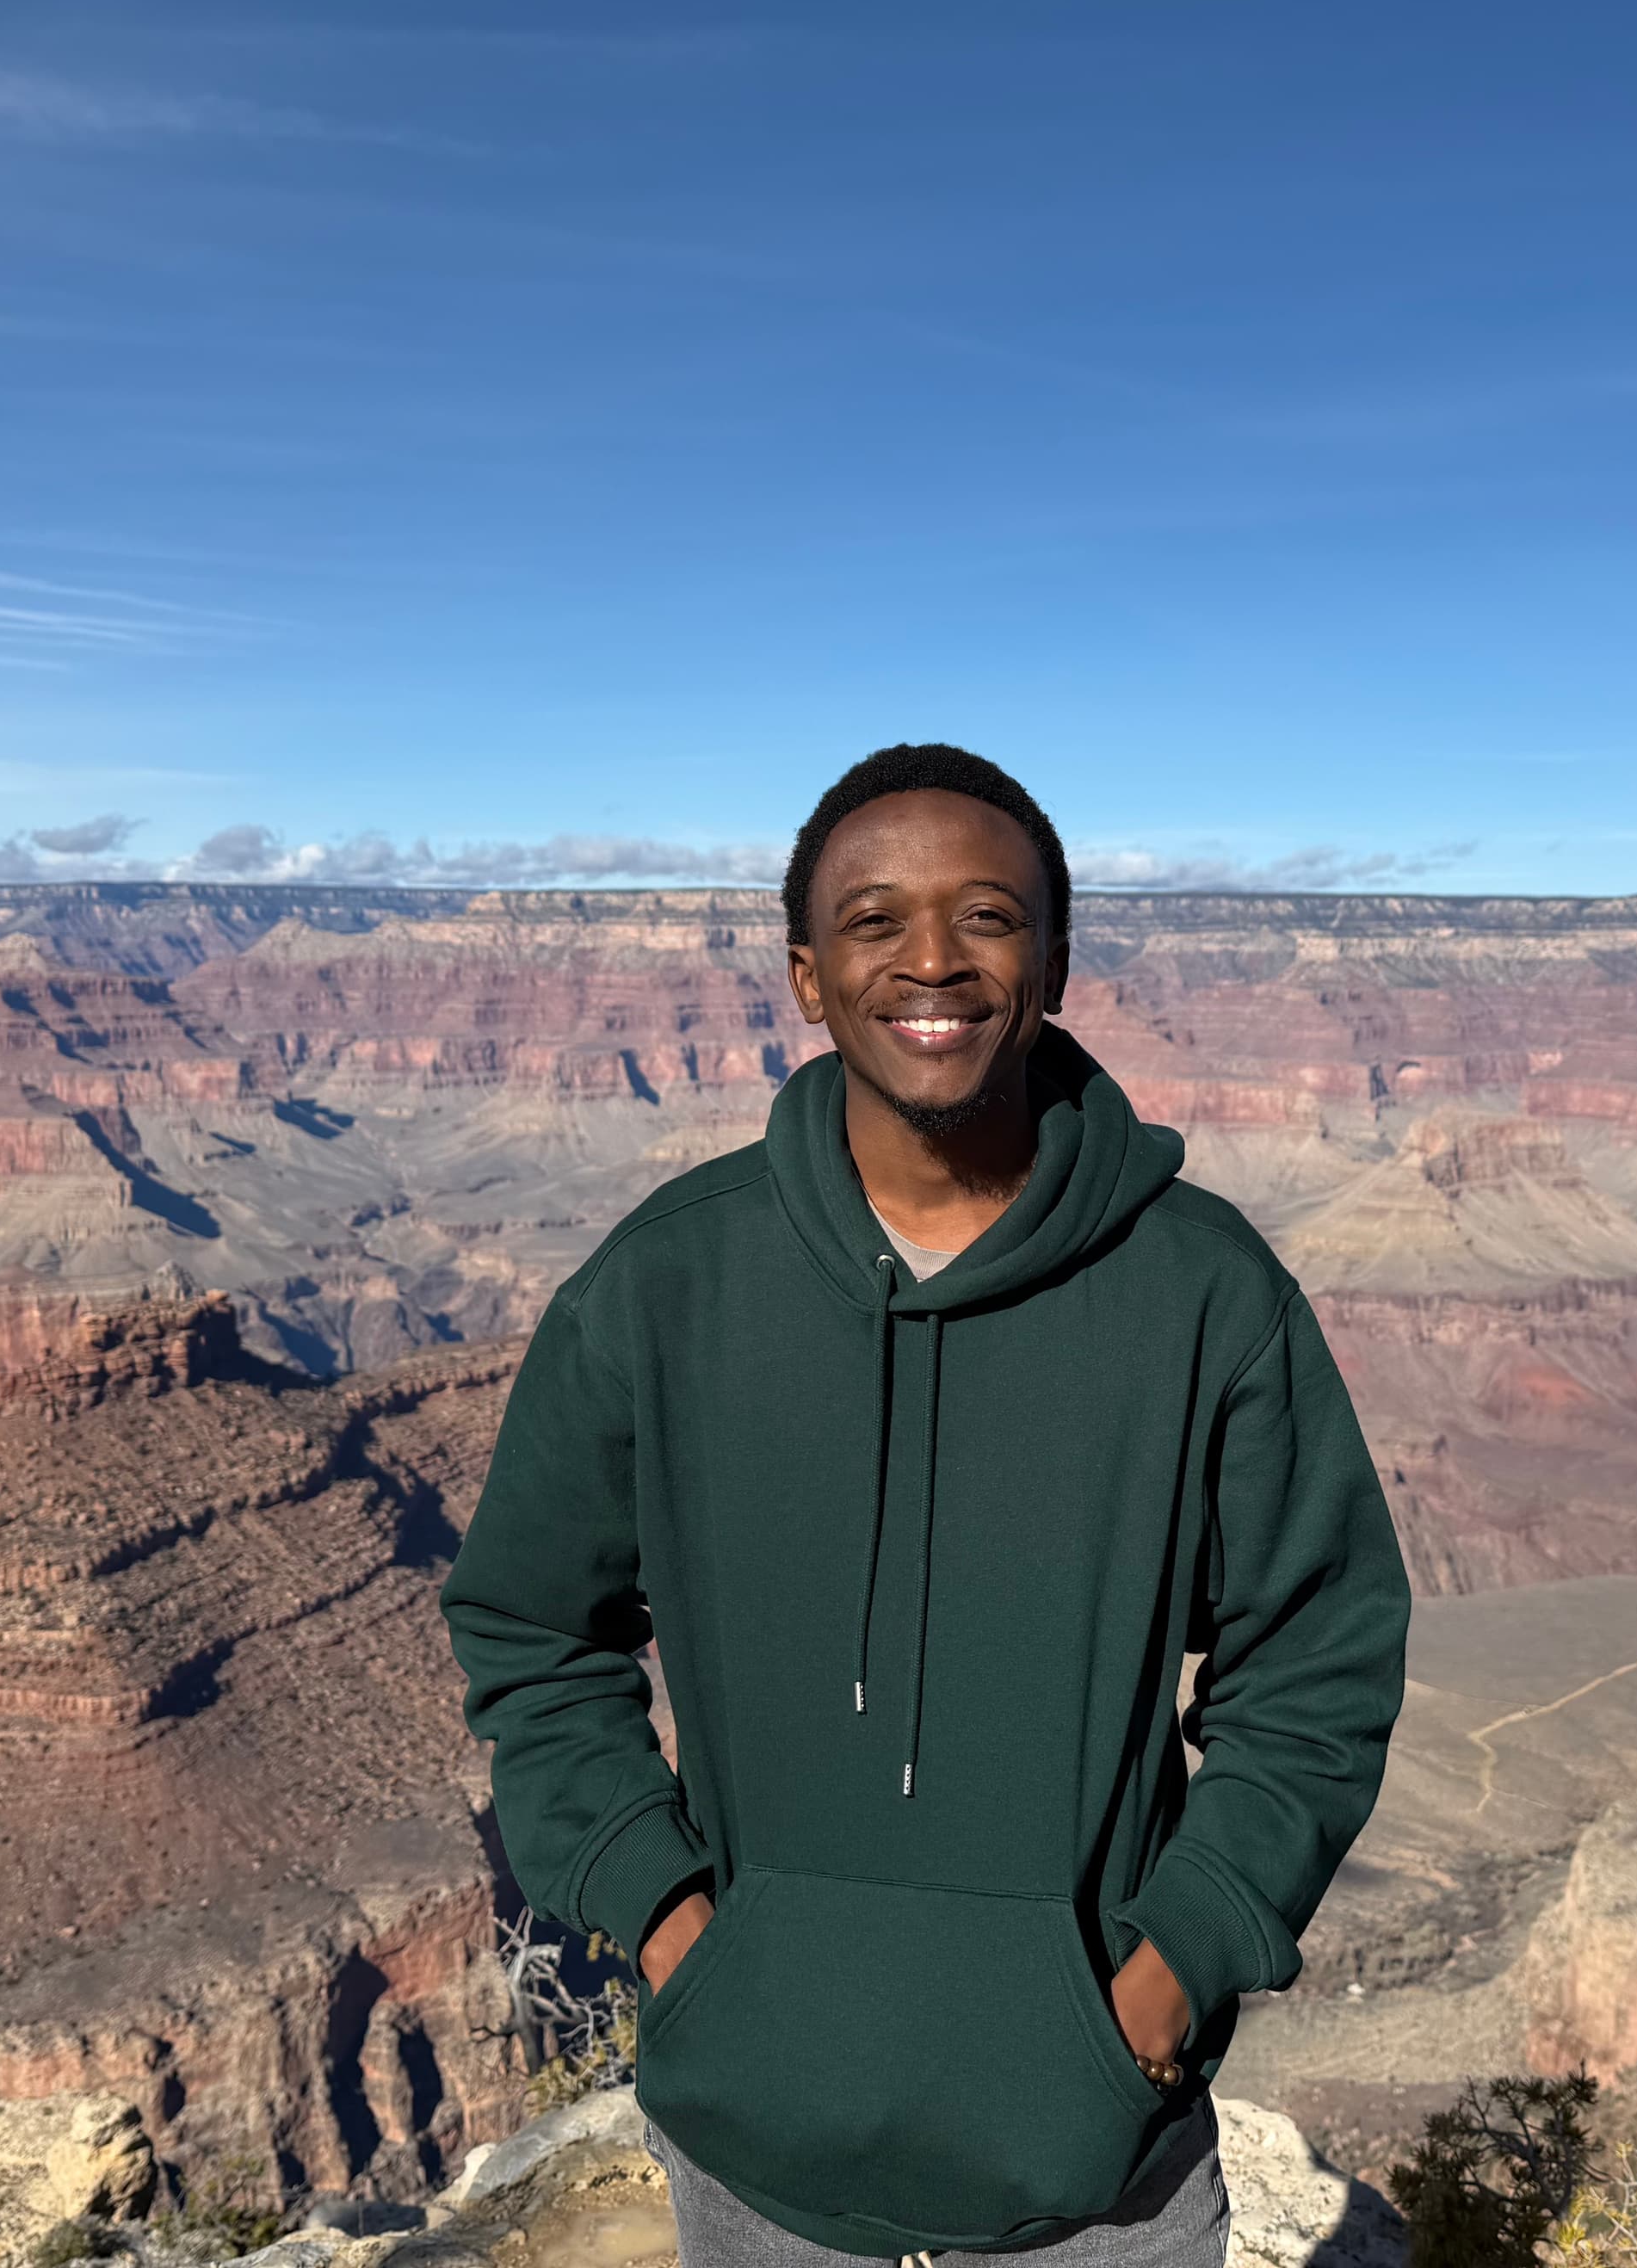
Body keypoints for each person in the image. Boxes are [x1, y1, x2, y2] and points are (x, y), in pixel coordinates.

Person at [441, 743, 1410, 2265]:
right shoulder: (667, 1285)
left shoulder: (1203, 1292)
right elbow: (529, 1628)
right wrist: (676, 1927)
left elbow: (1318, 1663)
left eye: (988, 916)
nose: (934, 961)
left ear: (1056, 961)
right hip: (753, 2158)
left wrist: (1166, 1981)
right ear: (807, 975)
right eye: (876, 921)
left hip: (1103, 2176)